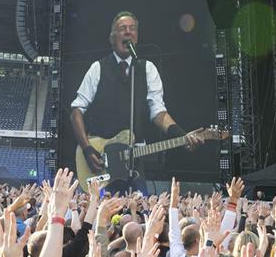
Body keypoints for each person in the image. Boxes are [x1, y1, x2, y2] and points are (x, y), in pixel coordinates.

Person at [69, 11, 207, 190]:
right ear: (112, 37)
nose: (128, 32)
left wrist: (182, 136)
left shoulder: (148, 69)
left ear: (137, 37)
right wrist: (87, 149)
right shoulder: (98, 68)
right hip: (101, 159)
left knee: (141, 210)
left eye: (132, 29)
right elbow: (76, 111)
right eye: (122, 29)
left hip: (134, 158)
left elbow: (158, 113)